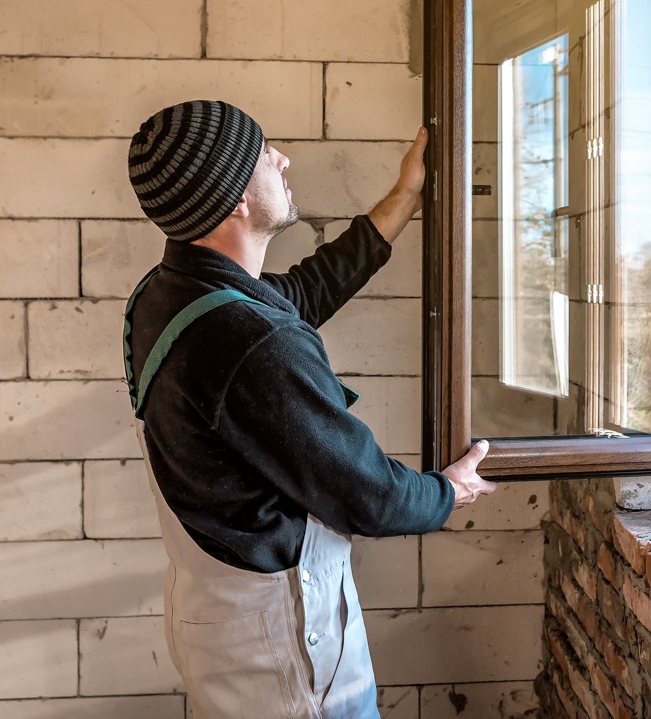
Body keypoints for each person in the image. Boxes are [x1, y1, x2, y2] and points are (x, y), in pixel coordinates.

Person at [121, 100, 495, 718]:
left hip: (215, 619)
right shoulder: (251, 341)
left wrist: (403, 198)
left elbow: (300, 292)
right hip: (283, 651)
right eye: (263, 152)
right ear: (235, 198)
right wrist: (447, 491)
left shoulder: (168, 295)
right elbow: (370, 496)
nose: (282, 158)